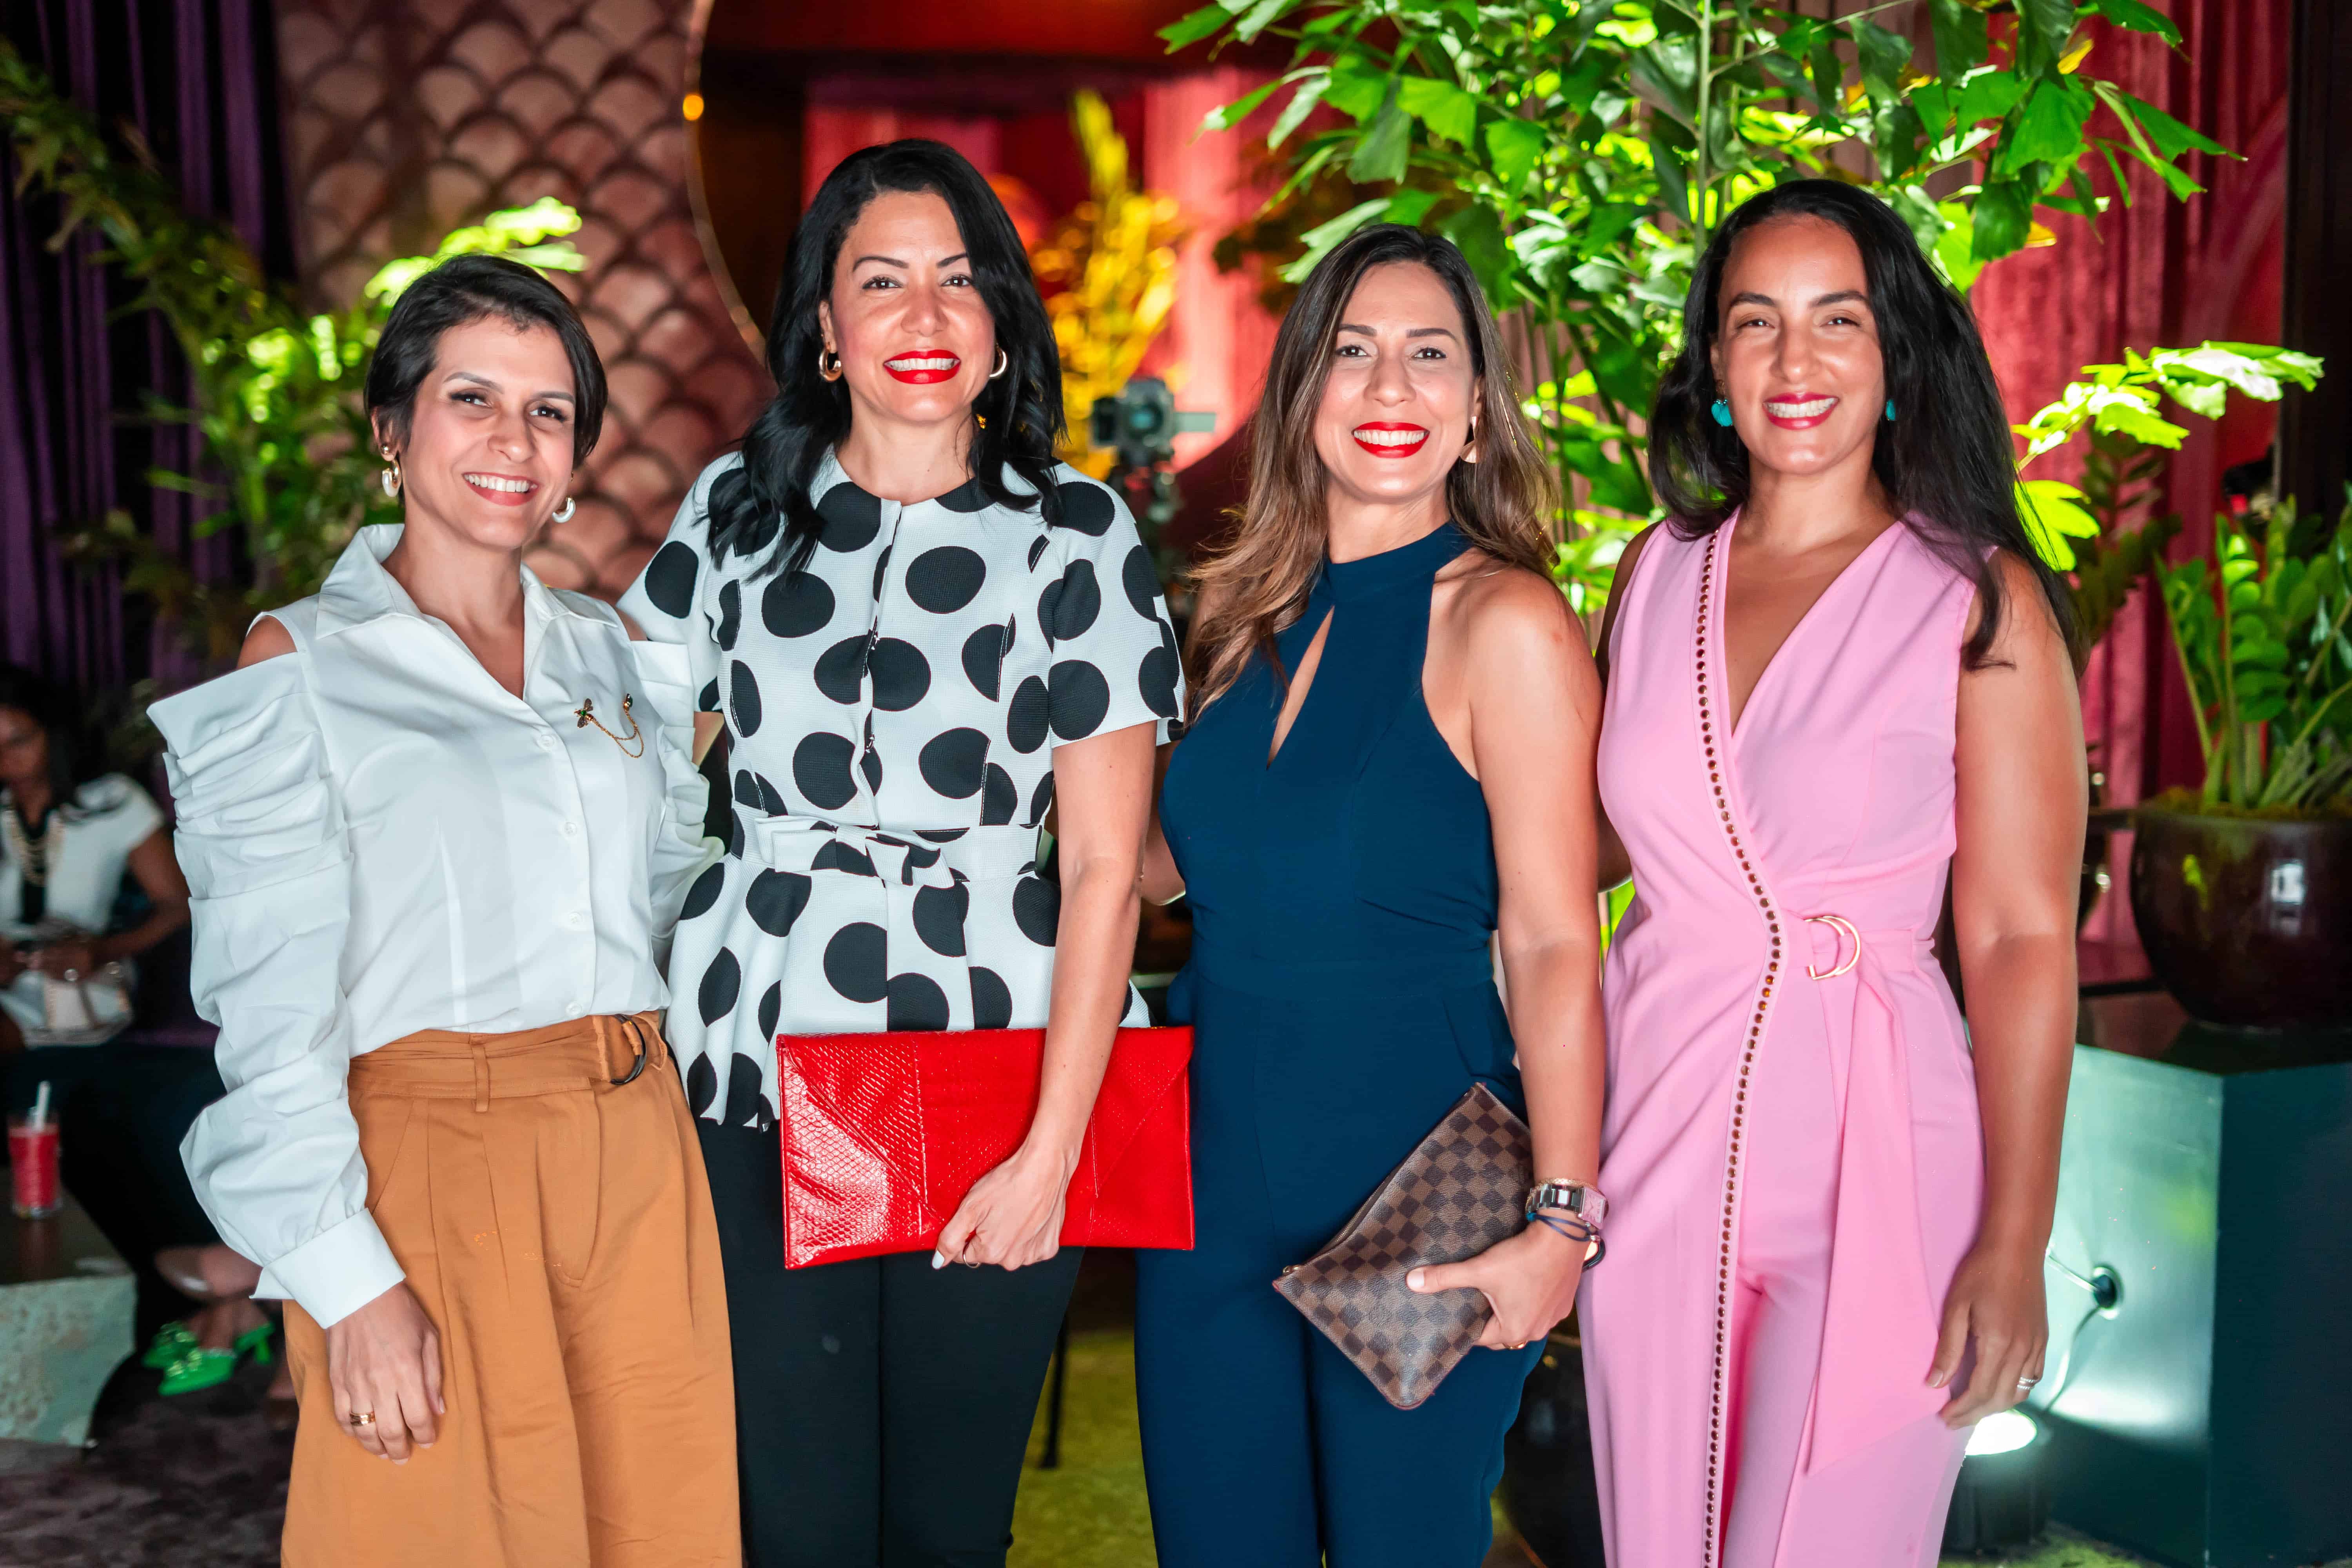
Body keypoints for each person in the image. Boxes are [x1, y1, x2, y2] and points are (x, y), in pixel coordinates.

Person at [620, 138, 1179, 1568]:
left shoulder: (1078, 532)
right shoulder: (733, 515)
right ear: (826, 327)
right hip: (755, 1057)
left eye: (959, 281)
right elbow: (609, 757)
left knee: (946, 1525)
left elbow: (1108, 866)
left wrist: (1054, 1152)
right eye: (882, 282)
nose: (923, 318)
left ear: (1001, 329)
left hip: (994, 1070)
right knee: (791, 1519)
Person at [149, 255, 737, 1566]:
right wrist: (349, 1281)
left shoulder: (621, 658)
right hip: (425, 1151)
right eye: (472, 398)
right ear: (392, 428)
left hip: (639, 1145)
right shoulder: (298, 664)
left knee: (658, 1529)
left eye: (548, 411)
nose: (511, 441)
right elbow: (265, 1008)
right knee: (437, 1533)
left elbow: (650, 906)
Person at [1580, 180, 2083, 1568]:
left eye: (1837, 321)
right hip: (1660, 1141)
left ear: (1897, 358)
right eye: (1757, 325)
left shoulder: (1977, 600)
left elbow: (2025, 939)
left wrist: (2017, 1237)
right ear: (1717, 371)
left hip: (1885, 1165)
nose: (1796, 363)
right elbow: (1580, 849)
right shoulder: (1656, 572)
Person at [1132, 223, 1608, 1568]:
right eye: (1352, 354)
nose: (1389, 390)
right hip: (1208, 1181)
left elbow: (1560, 943)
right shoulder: (1244, 619)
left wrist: (1563, 1224)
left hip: (1421, 1189)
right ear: (1303, 395)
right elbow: (1166, 867)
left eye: (1428, 357)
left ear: (1474, 413)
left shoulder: (1504, 622)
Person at [0, 668, 274, 1399]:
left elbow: (176, 904)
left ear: (51, 737)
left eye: (20, 740)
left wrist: (102, 950)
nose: (8, 760)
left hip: (81, 1005)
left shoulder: (108, 805)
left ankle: (228, 1297)